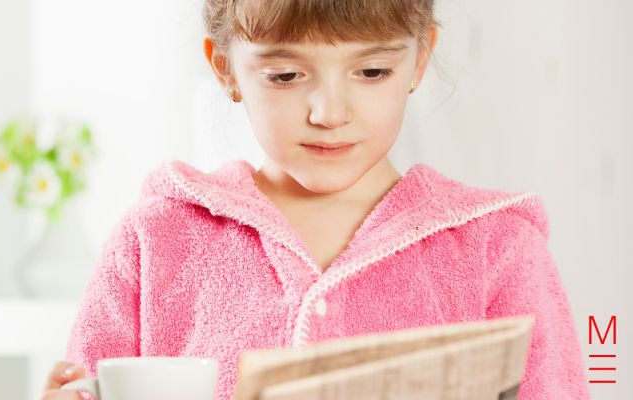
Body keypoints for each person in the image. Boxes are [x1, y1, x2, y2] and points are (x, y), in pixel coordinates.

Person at [39, 0, 589, 399]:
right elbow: (89, 381)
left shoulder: (496, 247)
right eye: (285, 75)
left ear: (420, 59)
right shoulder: (154, 239)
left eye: (372, 71)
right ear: (225, 68)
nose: (329, 112)